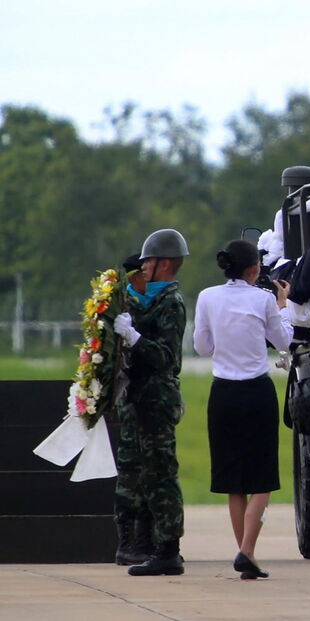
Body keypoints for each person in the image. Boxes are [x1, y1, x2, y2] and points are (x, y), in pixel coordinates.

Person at [193, 240, 293, 579]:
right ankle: (247, 551)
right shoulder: (263, 299)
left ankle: (245, 553)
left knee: (233, 481)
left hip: (222, 394)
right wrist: (283, 306)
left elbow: (202, 346)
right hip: (256, 392)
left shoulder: (207, 297)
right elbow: (283, 342)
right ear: (254, 269)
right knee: (261, 477)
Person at [112, 229, 188, 576]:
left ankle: (168, 550)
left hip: (157, 400)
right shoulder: (148, 300)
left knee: (161, 475)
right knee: (140, 474)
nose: (143, 267)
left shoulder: (171, 302)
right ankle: (142, 545)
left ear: (166, 264)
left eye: (149, 262)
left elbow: (165, 357)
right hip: (139, 399)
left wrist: (134, 336)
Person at [113, 253, 154, 567]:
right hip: (131, 398)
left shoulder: (145, 303)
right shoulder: (124, 308)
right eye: (144, 272)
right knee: (131, 473)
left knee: (148, 471)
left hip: (149, 398)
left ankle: (145, 541)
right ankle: (128, 543)